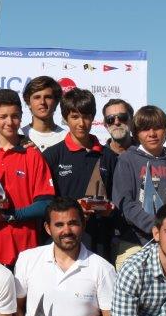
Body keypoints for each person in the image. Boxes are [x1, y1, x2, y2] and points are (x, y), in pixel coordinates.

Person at [0, 89, 55, 268]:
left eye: (14, 116)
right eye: (3, 116)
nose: (9, 122)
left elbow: (46, 204)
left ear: (21, 117)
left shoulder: (33, 155)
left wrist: (8, 216)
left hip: (25, 251)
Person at [43, 88, 119, 259]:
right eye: (75, 117)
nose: (81, 123)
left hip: (100, 242)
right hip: (63, 242)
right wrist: (74, 208)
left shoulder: (109, 157)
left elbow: (117, 201)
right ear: (65, 118)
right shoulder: (52, 155)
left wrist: (110, 210)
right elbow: (45, 203)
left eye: (86, 116)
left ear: (93, 117)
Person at [113, 106, 166, 268]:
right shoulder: (127, 160)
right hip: (134, 243)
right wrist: (156, 227)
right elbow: (125, 203)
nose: (152, 134)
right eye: (145, 129)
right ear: (136, 133)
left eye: (157, 128)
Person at [19, 76, 66, 152]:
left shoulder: (66, 138)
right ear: (28, 102)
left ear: (56, 102)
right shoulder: (20, 135)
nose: (42, 102)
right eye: (37, 97)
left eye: (48, 97)